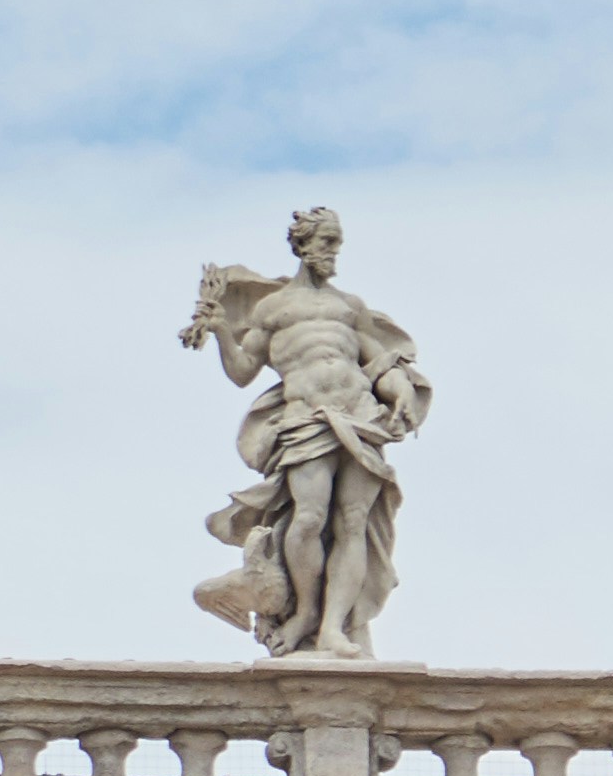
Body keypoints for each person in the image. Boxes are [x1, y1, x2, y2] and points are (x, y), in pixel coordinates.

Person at [185, 208, 433, 659]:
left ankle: (334, 628)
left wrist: (399, 392)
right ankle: (305, 614)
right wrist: (221, 329)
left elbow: (376, 361)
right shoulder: (274, 309)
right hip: (306, 420)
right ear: (302, 246)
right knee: (309, 519)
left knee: (353, 522)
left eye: (337, 243)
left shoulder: (349, 307)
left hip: (360, 416)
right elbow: (242, 371)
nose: (333, 253)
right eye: (326, 243)